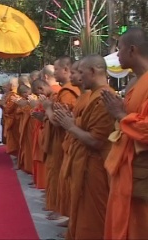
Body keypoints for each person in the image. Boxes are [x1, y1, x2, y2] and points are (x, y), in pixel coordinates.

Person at [55, 54, 114, 239]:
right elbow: (84, 124)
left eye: (81, 72)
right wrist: (72, 121)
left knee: (92, 217)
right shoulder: (92, 96)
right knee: (81, 211)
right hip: (83, 162)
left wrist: (70, 126)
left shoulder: (105, 97)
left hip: (95, 166)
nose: (79, 77)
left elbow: (97, 141)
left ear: (93, 71)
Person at [101, 27, 148, 240]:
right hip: (126, 165)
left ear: (132, 50)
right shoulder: (134, 83)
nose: (116, 54)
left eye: (118, 49)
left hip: (141, 168)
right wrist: (120, 112)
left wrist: (120, 114)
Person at [41, 56, 80, 220]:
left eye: (57, 69)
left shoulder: (67, 92)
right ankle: (61, 210)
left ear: (66, 69)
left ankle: (66, 214)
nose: (55, 72)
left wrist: (48, 109)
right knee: (57, 174)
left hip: (65, 140)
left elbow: (58, 121)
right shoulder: (66, 91)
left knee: (62, 175)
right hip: (60, 140)